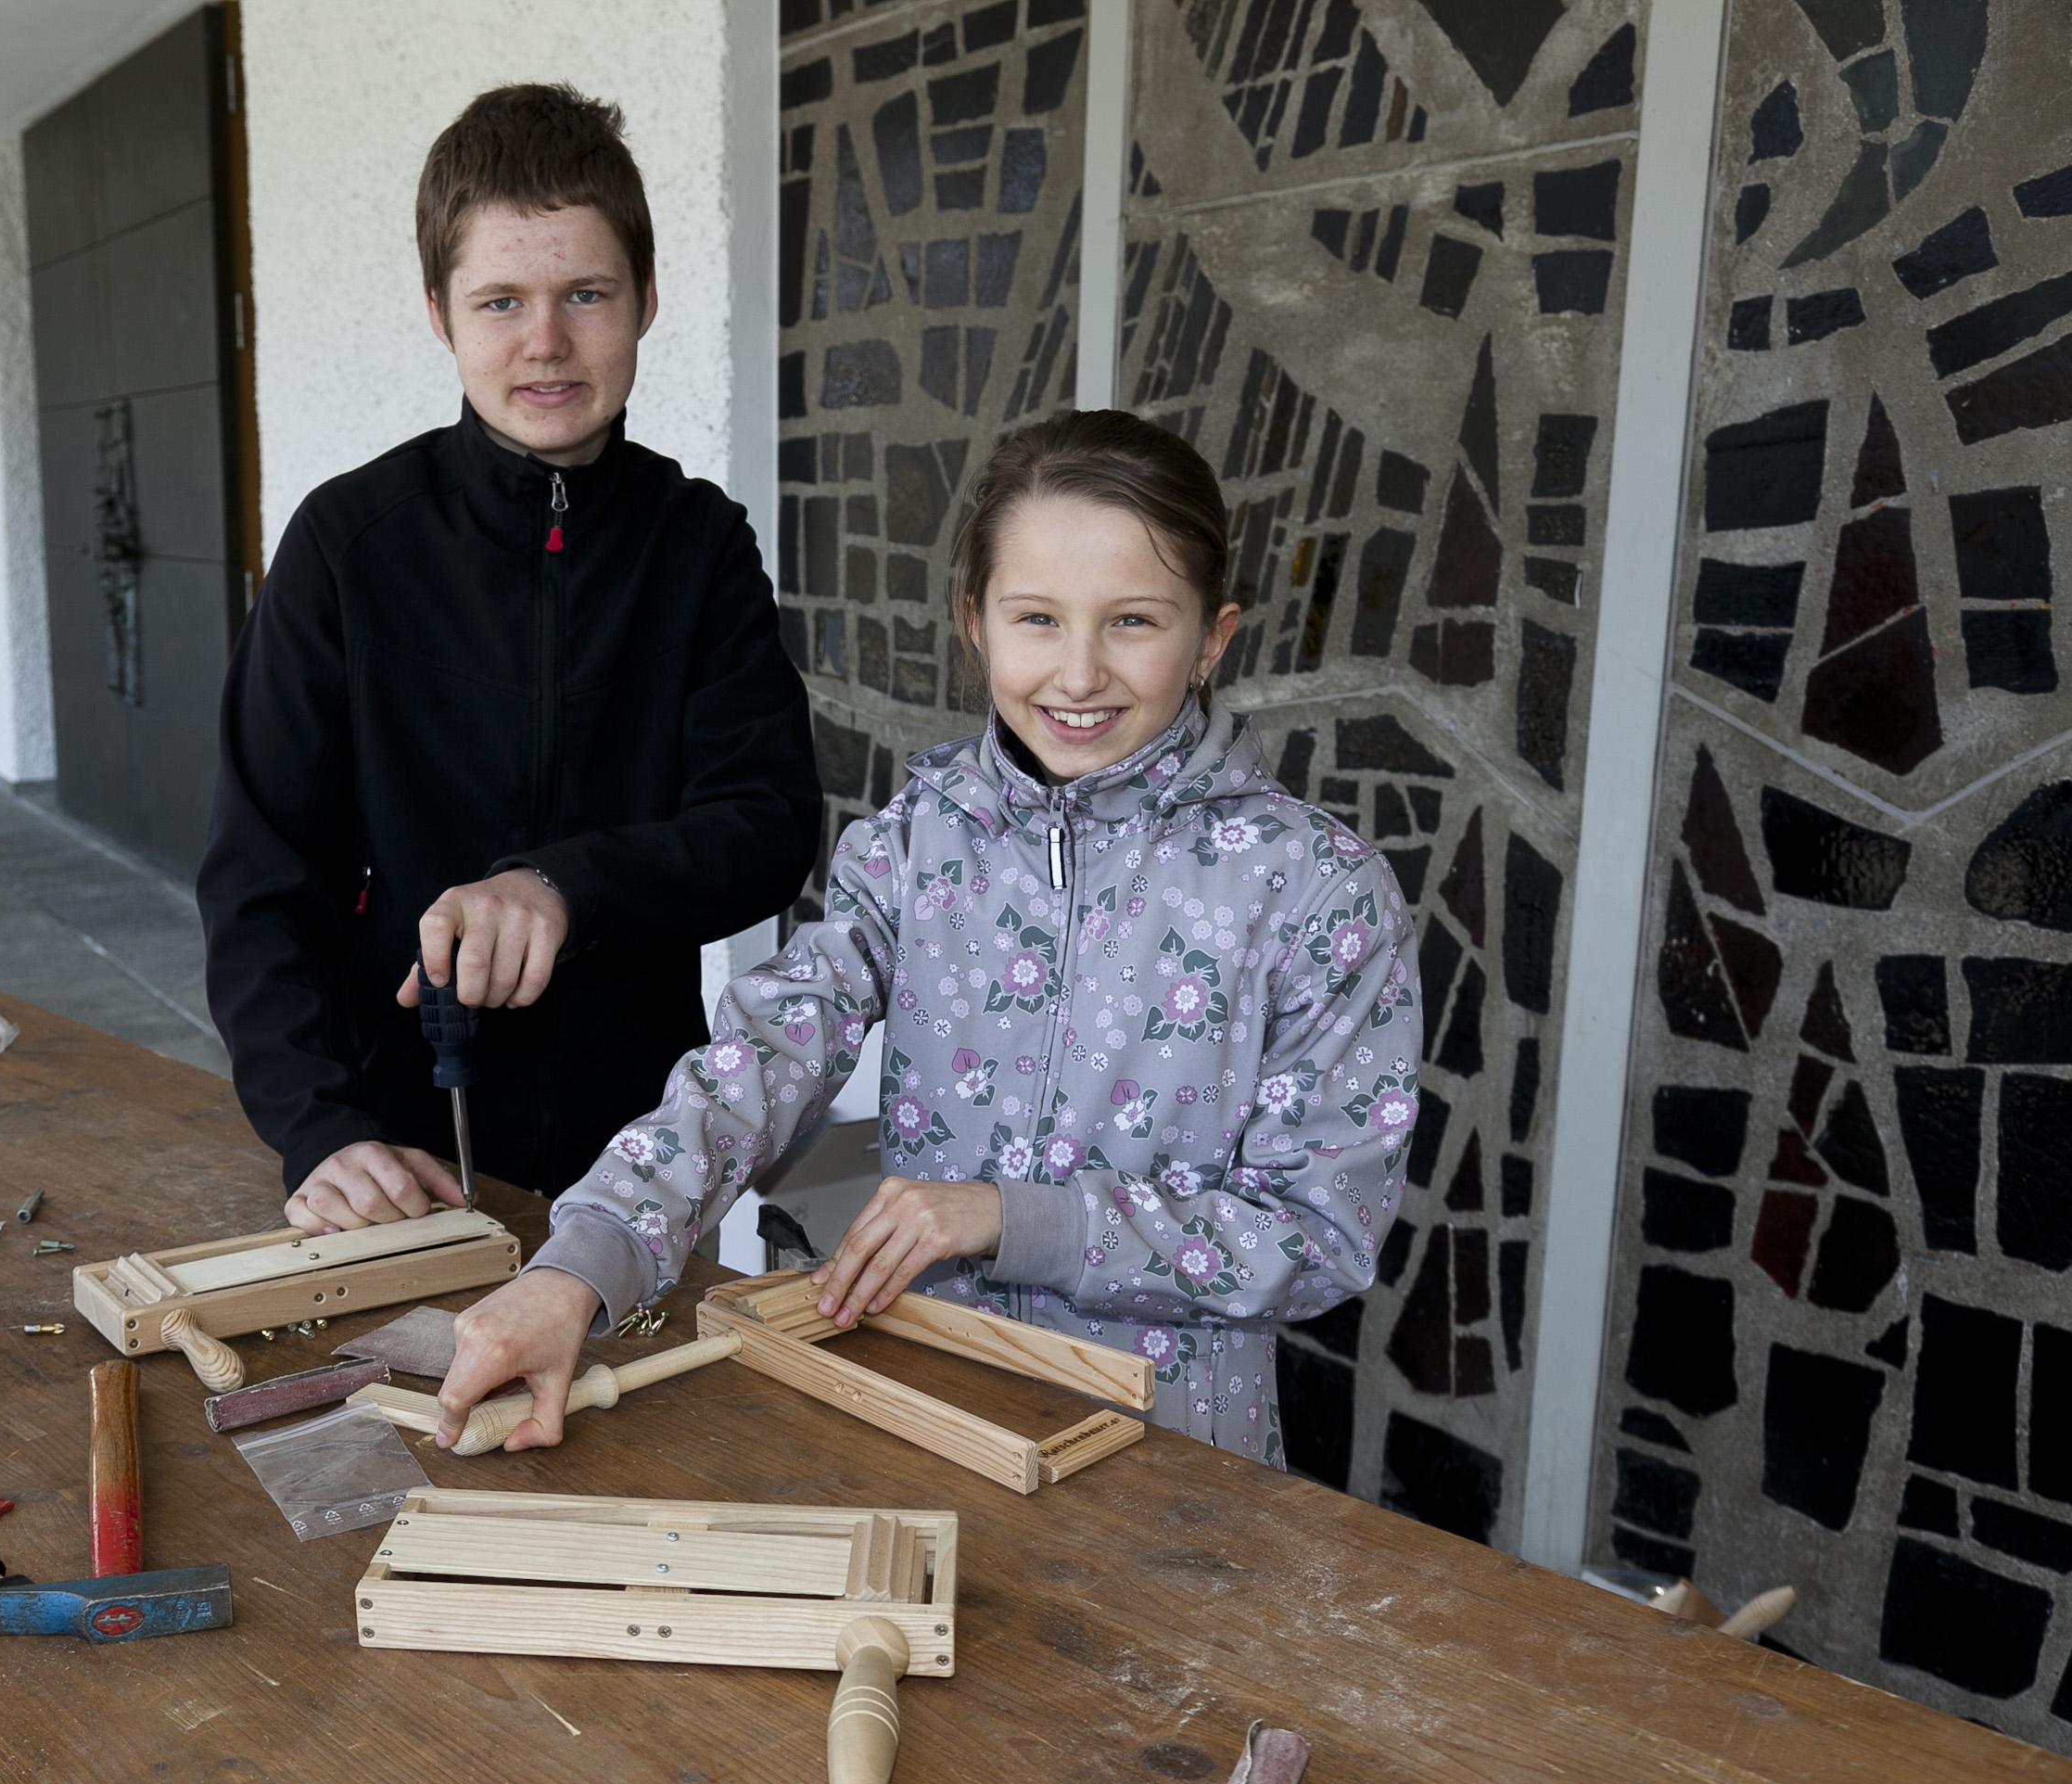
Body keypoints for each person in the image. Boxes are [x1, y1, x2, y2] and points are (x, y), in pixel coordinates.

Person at [437, 410, 1424, 1467]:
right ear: (975, 622)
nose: (1078, 673)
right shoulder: (916, 842)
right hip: (927, 1422)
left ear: (1213, 638)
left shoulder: (1319, 892)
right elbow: (760, 1059)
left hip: (1173, 1463)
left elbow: (1320, 1233)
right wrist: (580, 1266)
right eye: (1036, 618)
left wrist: (1012, 1217)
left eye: (1134, 621)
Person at [200, 84, 821, 1239]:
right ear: (440, 313)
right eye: (501, 301)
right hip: (394, 1139)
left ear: (645, 299)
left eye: (586, 293)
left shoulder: (700, 545)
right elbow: (258, 879)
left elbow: (768, 827)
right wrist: (319, 1127)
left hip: (637, 1146)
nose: (546, 342)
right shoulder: (346, 545)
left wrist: (560, 886)